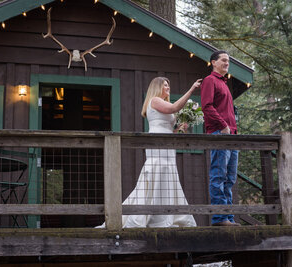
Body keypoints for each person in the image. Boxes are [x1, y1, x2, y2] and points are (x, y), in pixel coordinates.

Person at [97, 77, 201, 228]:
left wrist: (178, 128)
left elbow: (168, 122)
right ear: (157, 87)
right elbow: (173, 109)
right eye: (165, 85)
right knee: (156, 174)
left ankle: (168, 216)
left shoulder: (162, 102)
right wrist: (191, 90)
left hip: (168, 142)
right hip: (158, 142)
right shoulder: (154, 100)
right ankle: (148, 216)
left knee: (167, 176)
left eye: (168, 85)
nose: (168, 88)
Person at [200, 50, 240, 227]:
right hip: (219, 133)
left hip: (232, 136)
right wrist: (223, 125)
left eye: (228, 61)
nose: (226, 63)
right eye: (223, 60)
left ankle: (229, 217)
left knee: (230, 179)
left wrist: (233, 130)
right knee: (218, 175)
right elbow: (207, 106)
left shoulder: (225, 84)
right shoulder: (210, 80)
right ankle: (220, 218)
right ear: (213, 63)